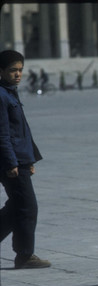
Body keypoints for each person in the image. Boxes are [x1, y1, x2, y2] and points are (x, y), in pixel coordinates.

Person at [0, 50, 51, 269]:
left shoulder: (10, 92)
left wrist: (29, 160)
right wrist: (11, 162)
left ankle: (24, 254)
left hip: (20, 159)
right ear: (1, 71)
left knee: (18, 206)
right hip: (10, 161)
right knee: (27, 206)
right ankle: (24, 255)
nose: (18, 74)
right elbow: (2, 133)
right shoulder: (1, 95)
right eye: (13, 70)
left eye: (20, 70)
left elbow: (22, 131)